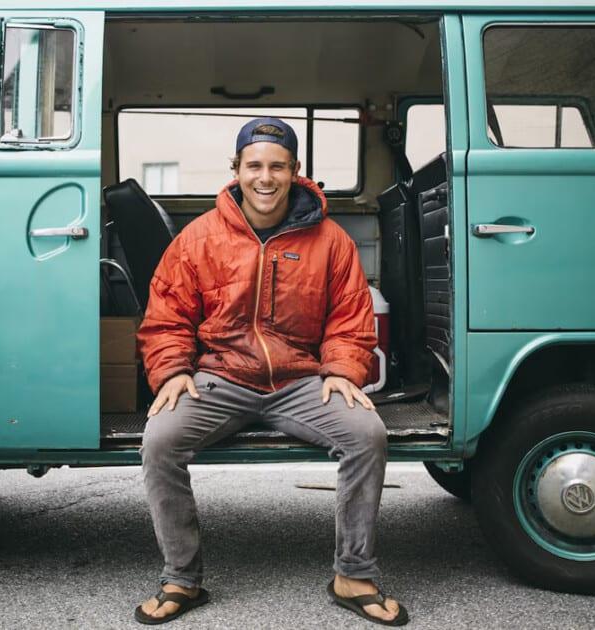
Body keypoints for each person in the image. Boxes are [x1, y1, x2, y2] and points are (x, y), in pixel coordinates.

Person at [134, 117, 408, 626]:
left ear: (295, 172)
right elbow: (167, 314)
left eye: (277, 166)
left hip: (301, 380)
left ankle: (353, 572)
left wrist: (342, 372)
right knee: (160, 440)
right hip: (221, 378)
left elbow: (350, 317)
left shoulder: (330, 241)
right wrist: (172, 370)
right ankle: (182, 578)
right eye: (254, 165)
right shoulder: (199, 239)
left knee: (366, 434)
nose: (265, 177)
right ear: (235, 169)